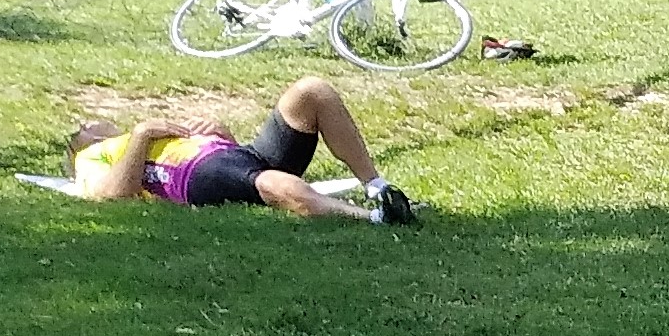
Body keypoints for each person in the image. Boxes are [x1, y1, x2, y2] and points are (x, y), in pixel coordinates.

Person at [67, 76, 413, 224]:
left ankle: (378, 187)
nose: (87, 123)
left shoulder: (137, 138)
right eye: (80, 130)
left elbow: (230, 154)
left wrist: (223, 135)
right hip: (194, 178)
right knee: (269, 183)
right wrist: (142, 133)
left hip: (234, 155)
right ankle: (376, 218)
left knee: (311, 92)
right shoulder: (94, 155)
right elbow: (110, 196)